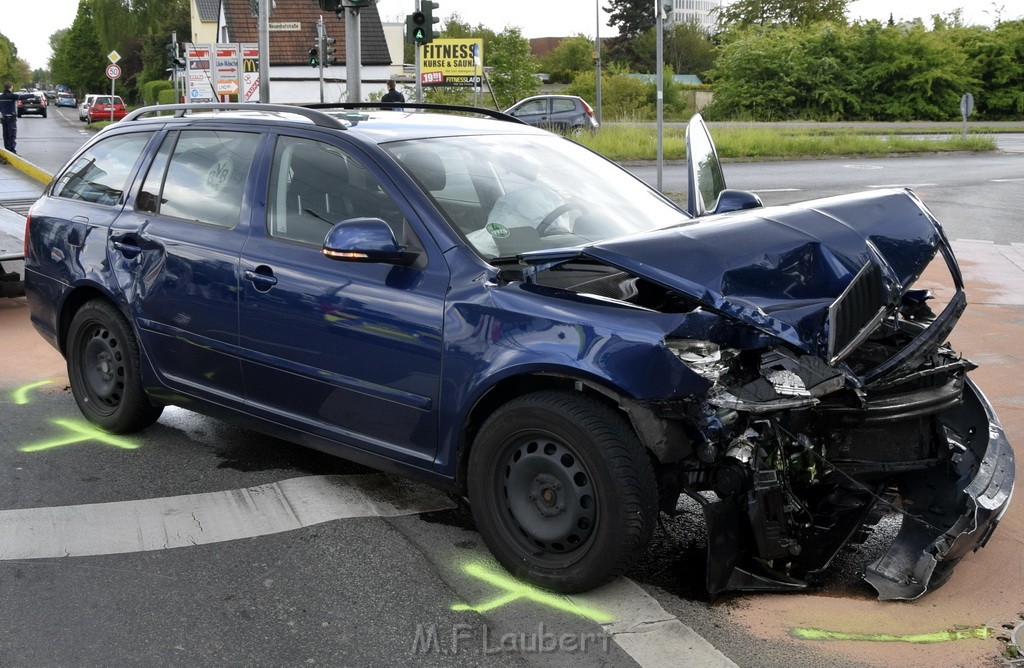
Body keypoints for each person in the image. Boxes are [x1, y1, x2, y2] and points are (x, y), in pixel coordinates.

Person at [0, 82, 18, 154]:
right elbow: (22, 97)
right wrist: (33, 95)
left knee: (5, 134)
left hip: (4, 118)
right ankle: (12, 150)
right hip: (11, 118)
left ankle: (7, 149)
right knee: (12, 134)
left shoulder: (1, 97)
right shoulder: (11, 96)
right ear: (10, 88)